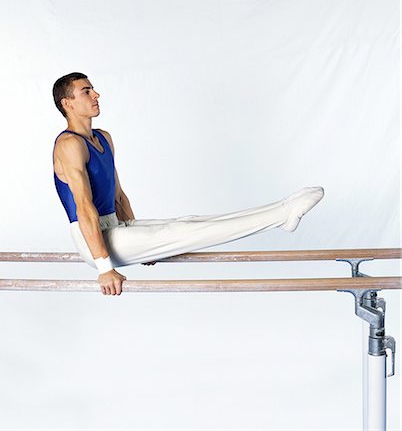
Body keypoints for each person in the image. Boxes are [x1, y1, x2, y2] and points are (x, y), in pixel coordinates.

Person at [52, 72, 324, 296]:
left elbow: (118, 196)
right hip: (94, 241)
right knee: (186, 233)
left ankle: (282, 208)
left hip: (115, 228)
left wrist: (136, 240)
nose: (96, 95)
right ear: (68, 103)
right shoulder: (69, 144)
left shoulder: (104, 138)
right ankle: (281, 215)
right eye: (86, 92)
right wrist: (104, 268)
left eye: (93, 89)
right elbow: (84, 207)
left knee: (188, 222)